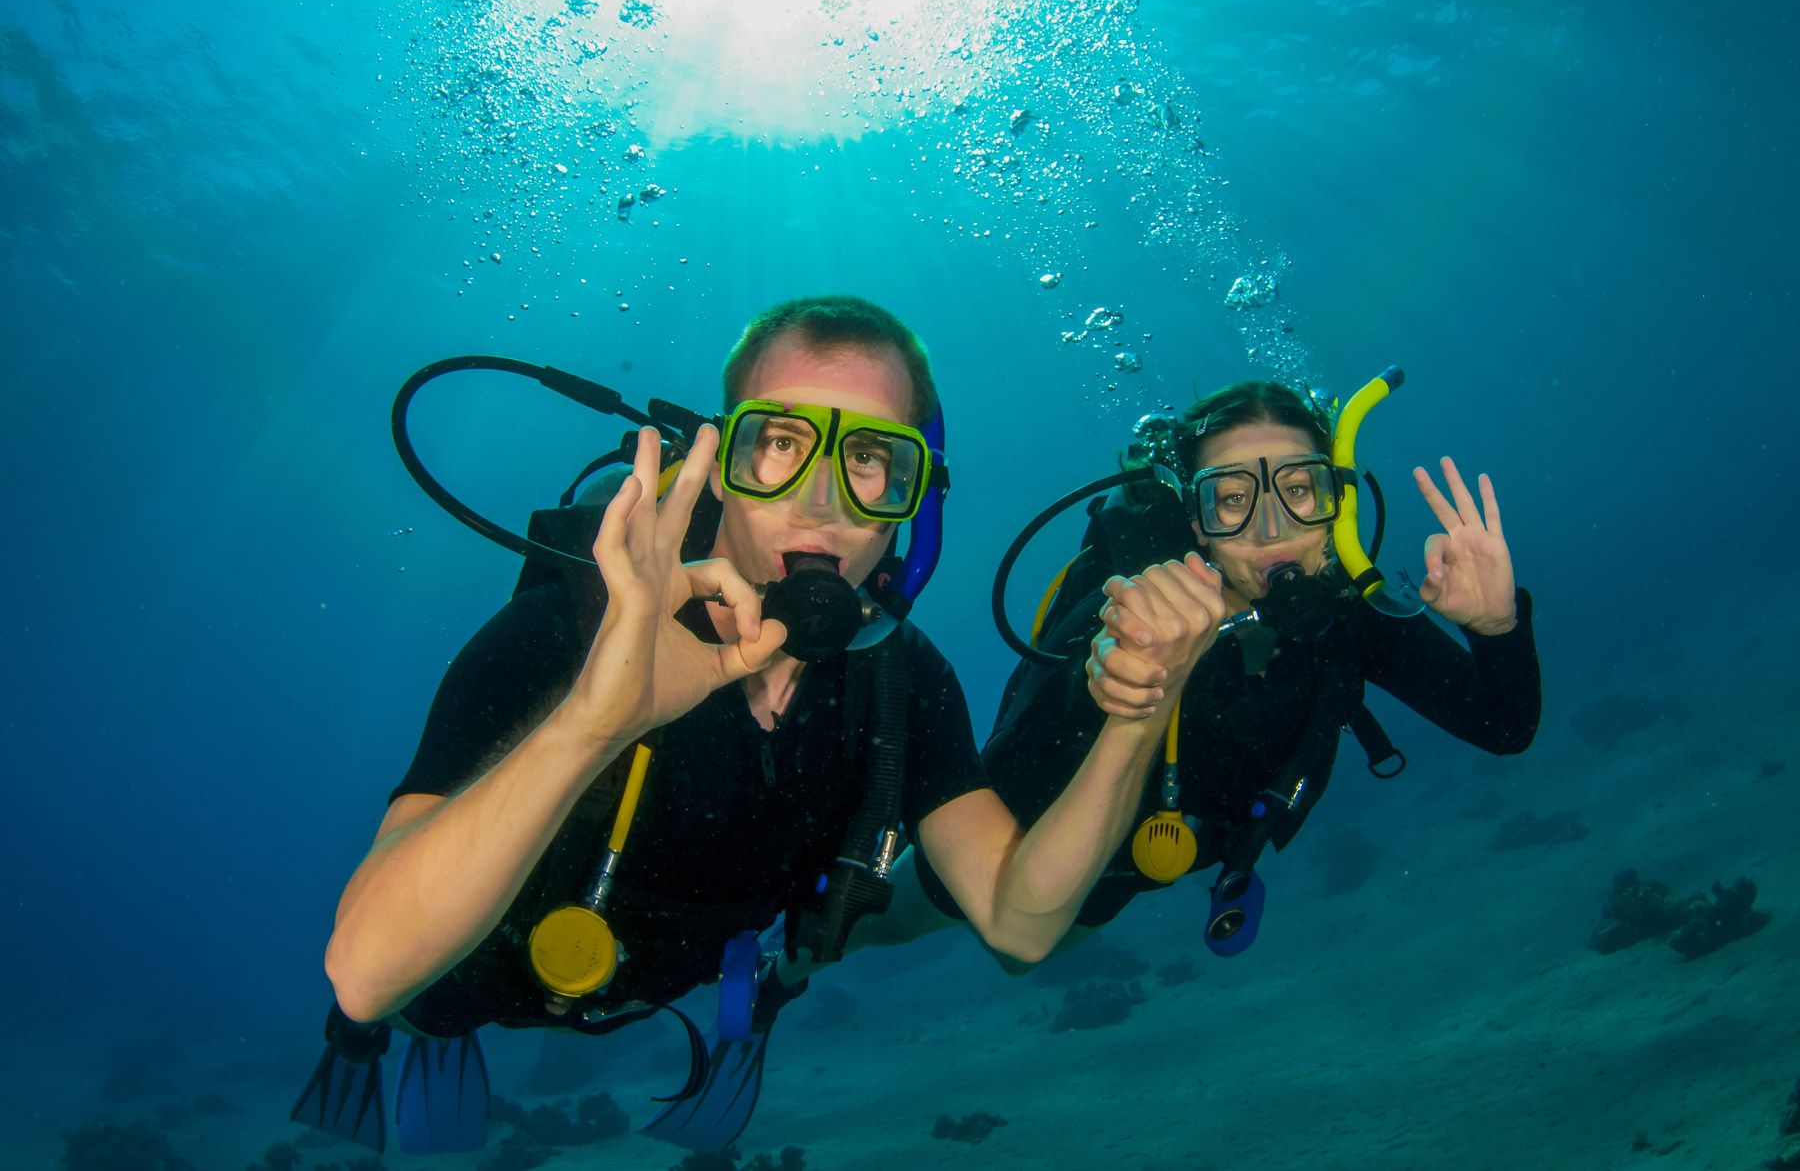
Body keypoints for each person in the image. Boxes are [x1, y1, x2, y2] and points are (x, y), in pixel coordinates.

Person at [295, 296, 1222, 1156]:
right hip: (466, 969)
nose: (822, 500)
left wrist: (1139, 717)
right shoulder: (567, 626)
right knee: (420, 1010)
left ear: (913, 496)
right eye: (780, 443)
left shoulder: (904, 678)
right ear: (717, 465)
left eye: (870, 460)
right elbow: (368, 972)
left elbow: (1020, 926)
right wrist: (595, 719)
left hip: (690, 974)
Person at [926, 377, 1540, 952]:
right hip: (1010, 850)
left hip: (1144, 868)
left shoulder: (1350, 614)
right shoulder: (1139, 604)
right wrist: (1111, 677)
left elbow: (1504, 728)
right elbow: (1003, 776)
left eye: (1298, 490)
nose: (1271, 529)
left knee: (1034, 950)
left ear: (1337, 499)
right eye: (1233, 499)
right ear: (1197, 521)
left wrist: (1497, 629)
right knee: (904, 916)